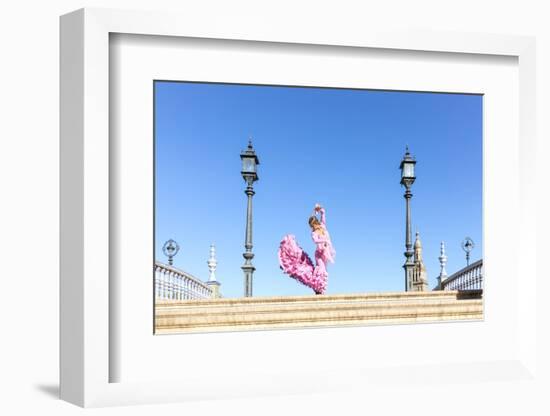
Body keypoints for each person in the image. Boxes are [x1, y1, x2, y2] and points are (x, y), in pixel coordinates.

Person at [278, 204, 336, 295]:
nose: (313, 228)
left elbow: (323, 214)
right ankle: (318, 288)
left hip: (325, 253)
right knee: (320, 270)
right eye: (312, 226)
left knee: (324, 271)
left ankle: (320, 289)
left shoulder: (322, 227)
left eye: (313, 225)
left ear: (316, 223)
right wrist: (325, 240)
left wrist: (319, 209)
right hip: (319, 254)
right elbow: (316, 240)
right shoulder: (314, 233)